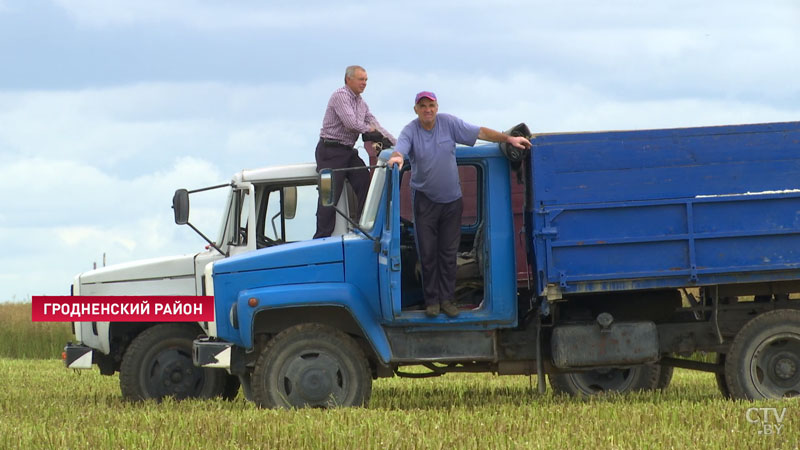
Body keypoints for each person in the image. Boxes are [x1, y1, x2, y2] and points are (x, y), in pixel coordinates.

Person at [387, 91, 531, 318]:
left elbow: (480, 132)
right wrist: (396, 158)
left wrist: (509, 139)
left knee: (448, 253)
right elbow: (400, 149)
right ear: (416, 109)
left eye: (431, 105)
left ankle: (447, 300)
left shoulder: (449, 123)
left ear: (437, 106)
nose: (427, 109)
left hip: (452, 201)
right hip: (424, 201)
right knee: (427, 253)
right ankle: (432, 301)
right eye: (422, 106)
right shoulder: (410, 130)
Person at [314, 65, 396, 239]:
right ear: (348, 79)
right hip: (331, 150)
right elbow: (351, 123)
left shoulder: (361, 103)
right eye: (361, 79)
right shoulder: (340, 96)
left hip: (347, 151)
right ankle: (322, 237)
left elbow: (377, 125)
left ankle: (362, 227)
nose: (364, 83)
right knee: (329, 197)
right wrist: (371, 131)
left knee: (365, 182)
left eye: (366, 80)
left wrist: (397, 145)